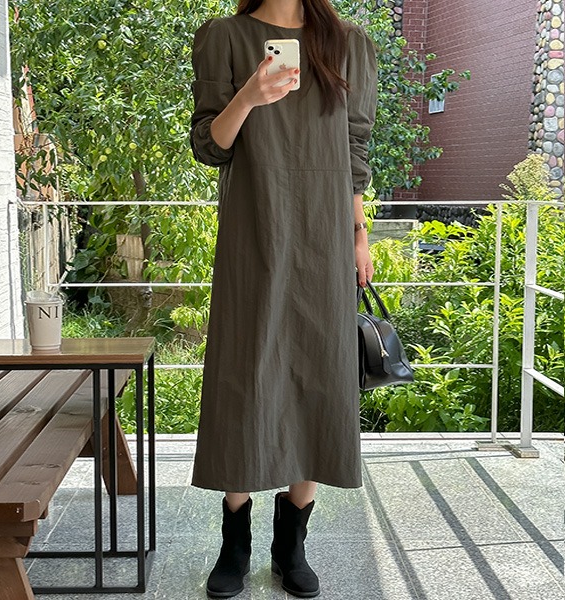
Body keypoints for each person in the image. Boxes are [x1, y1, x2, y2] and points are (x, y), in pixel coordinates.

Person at [189, 0, 377, 597]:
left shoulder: (347, 43)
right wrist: (249, 96)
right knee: (245, 374)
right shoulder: (225, 37)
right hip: (254, 229)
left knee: (319, 372)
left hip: (325, 232)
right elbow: (209, 145)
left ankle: (292, 544)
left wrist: (358, 233)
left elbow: (355, 149)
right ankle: (234, 544)